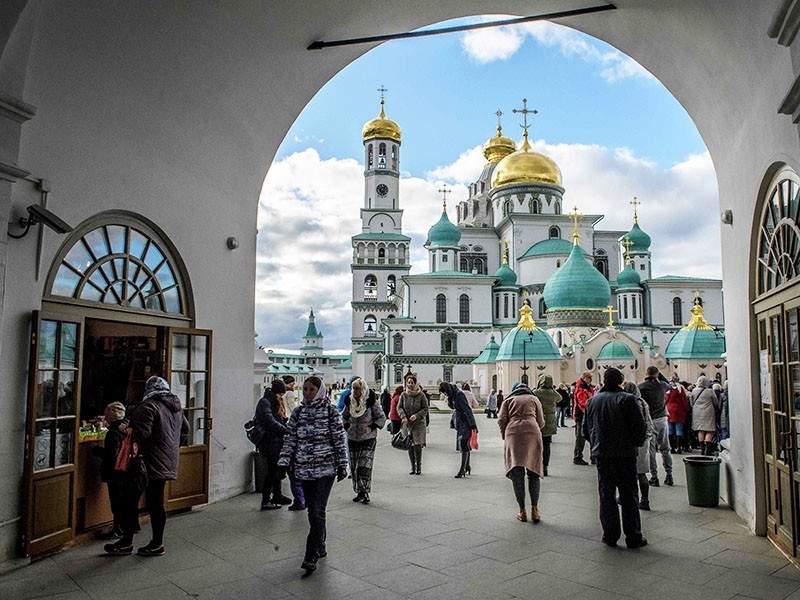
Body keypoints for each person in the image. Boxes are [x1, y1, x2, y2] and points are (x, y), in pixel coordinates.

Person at [105, 376, 189, 557]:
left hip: (144, 462)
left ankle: (127, 542)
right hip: (166, 461)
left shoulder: (149, 406)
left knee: (130, 500)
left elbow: (142, 433)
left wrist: (125, 429)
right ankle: (156, 543)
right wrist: (172, 448)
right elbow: (186, 430)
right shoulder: (175, 407)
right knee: (155, 502)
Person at [277, 376, 348, 574]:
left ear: (319, 391)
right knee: (312, 511)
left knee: (317, 510)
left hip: (325, 470)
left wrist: (343, 465)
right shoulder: (299, 412)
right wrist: (283, 463)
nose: (307, 392)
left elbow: (338, 439)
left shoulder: (330, 411)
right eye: (305, 389)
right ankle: (321, 544)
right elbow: (290, 439)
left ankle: (310, 554)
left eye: (311, 389)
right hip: (304, 469)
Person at [583, 368, 648, 549]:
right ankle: (633, 536)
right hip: (625, 455)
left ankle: (610, 535)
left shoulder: (592, 401)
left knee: (606, 495)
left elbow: (585, 430)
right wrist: (635, 443)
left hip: (602, 455)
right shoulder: (628, 399)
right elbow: (639, 428)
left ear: (603, 381)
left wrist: (597, 443)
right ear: (620, 381)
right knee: (629, 496)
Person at [498, 382, 545, 523]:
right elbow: (542, 421)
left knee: (517, 472)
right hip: (532, 432)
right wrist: (534, 426)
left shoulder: (508, 400)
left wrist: (505, 434)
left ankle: (522, 511)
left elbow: (501, 420)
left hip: (513, 433)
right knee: (533, 472)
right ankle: (535, 510)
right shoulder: (534, 399)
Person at [342, 378, 386, 503]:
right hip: (352, 438)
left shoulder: (370, 402)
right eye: (353, 388)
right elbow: (344, 416)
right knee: (355, 466)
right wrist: (346, 425)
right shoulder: (349, 401)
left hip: (368, 438)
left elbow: (381, 417)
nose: (354, 391)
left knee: (364, 466)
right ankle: (359, 491)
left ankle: (365, 491)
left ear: (363, 389)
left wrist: (372, 427)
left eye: (357, 388)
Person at [93, 401, 129, 539]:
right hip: (128, 470)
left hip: (115, 473)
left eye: (107, 414)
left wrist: (96, 451)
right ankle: (126, 526)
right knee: (124, 500)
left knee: (116, 501)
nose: (105, 418)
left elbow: (111, 455)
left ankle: (118, 529)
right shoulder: (127, 428)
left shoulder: (112, 433)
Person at [254, 379, 292, 510]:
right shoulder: (265, 402)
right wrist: (285, 429)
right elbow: (269, 421)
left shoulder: (272, 402)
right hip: (269, 441)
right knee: (271, 471)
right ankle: (266, 500)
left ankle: (277, 495)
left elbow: (277, 419)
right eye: (280, 394)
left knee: (277, 468)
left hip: (276, 440)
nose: (281, 397)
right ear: (276, 392)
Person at [638, 366, 674, 486]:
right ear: (657, 374)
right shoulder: (662, 385)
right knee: (665, 448)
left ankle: (654, 476)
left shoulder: (641, 387)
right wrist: (659, 375)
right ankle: (669, 474)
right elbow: (669, 384)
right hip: (662, 419)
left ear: (647, 373)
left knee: (651, 450)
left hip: (650, 419)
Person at [624, 381, 653, 511]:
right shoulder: (643, 402)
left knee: (628, 471)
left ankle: (629, 497)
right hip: (644, 439)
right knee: (641, 471)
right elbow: (648, 422)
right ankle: (645, 500)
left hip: (631, 441)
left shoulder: (627, 402)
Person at [441, 382, 478, 478]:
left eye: (445, 392)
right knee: (465, 444)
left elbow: (467, 409)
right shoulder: (453, 395)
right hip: (460, 422)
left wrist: (473, 425)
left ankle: (462, 469)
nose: (445, 394)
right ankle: (467, 466)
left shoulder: (459, 394)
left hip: (465, 422)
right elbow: (452, 406)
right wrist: (449, 399)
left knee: (463, 443)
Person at [281, 375, 305, 510]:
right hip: (290, 420)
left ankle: (300, 499)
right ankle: (302, 500)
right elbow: (292, 406)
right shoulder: (289, 393)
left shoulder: (282, 394)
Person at [397, 374, 428, 475]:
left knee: (417, 445)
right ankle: (412, 466)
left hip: (418, 423)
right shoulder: (403, 395)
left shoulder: (421, 395)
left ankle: (418, 465)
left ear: (415, 383)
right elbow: (399, 407)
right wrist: (403, 416)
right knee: (409, 444)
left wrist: (417, 415)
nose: (410, 385)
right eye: (408, 382)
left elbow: (425, 408)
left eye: (412, 383)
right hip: (407, 423)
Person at [533, 375, 559, 477]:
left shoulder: (536, 392)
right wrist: (552, 389)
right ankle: (545, 467)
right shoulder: (553, 394)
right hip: (550, 423)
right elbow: (559, 398)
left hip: (538, 422)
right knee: (547, 445)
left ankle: (536, 466)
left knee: (536, 445)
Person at [691, 375, 719, 455]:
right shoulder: (710, 391)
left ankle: (702, 449)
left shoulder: (694, 391)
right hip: (708, 412)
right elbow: (715, 401)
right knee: (709, 430)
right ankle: (708, 450)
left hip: (697, 412)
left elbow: (691, 401)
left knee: (700, 430)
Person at [573, 372, 594, 466]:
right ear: (585, 378)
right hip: (581, 414)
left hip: (586, 414)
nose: (591, 380)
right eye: (589, 378)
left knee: (591, 436)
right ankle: (577, 456)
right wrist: (590, 410)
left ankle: (594, 456)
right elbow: (582, 403)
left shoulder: (587, 387)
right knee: (580, 437)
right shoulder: (581, 388)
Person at [665, 378, 689, 454]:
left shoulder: (668, 390)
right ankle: (679, 447)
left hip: (669, 410)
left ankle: (672, 447)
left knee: (670, 429)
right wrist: (685, 410)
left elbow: (666, 400)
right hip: (679, 410)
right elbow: (684, 401)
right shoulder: (680, 389)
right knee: (679, 429)